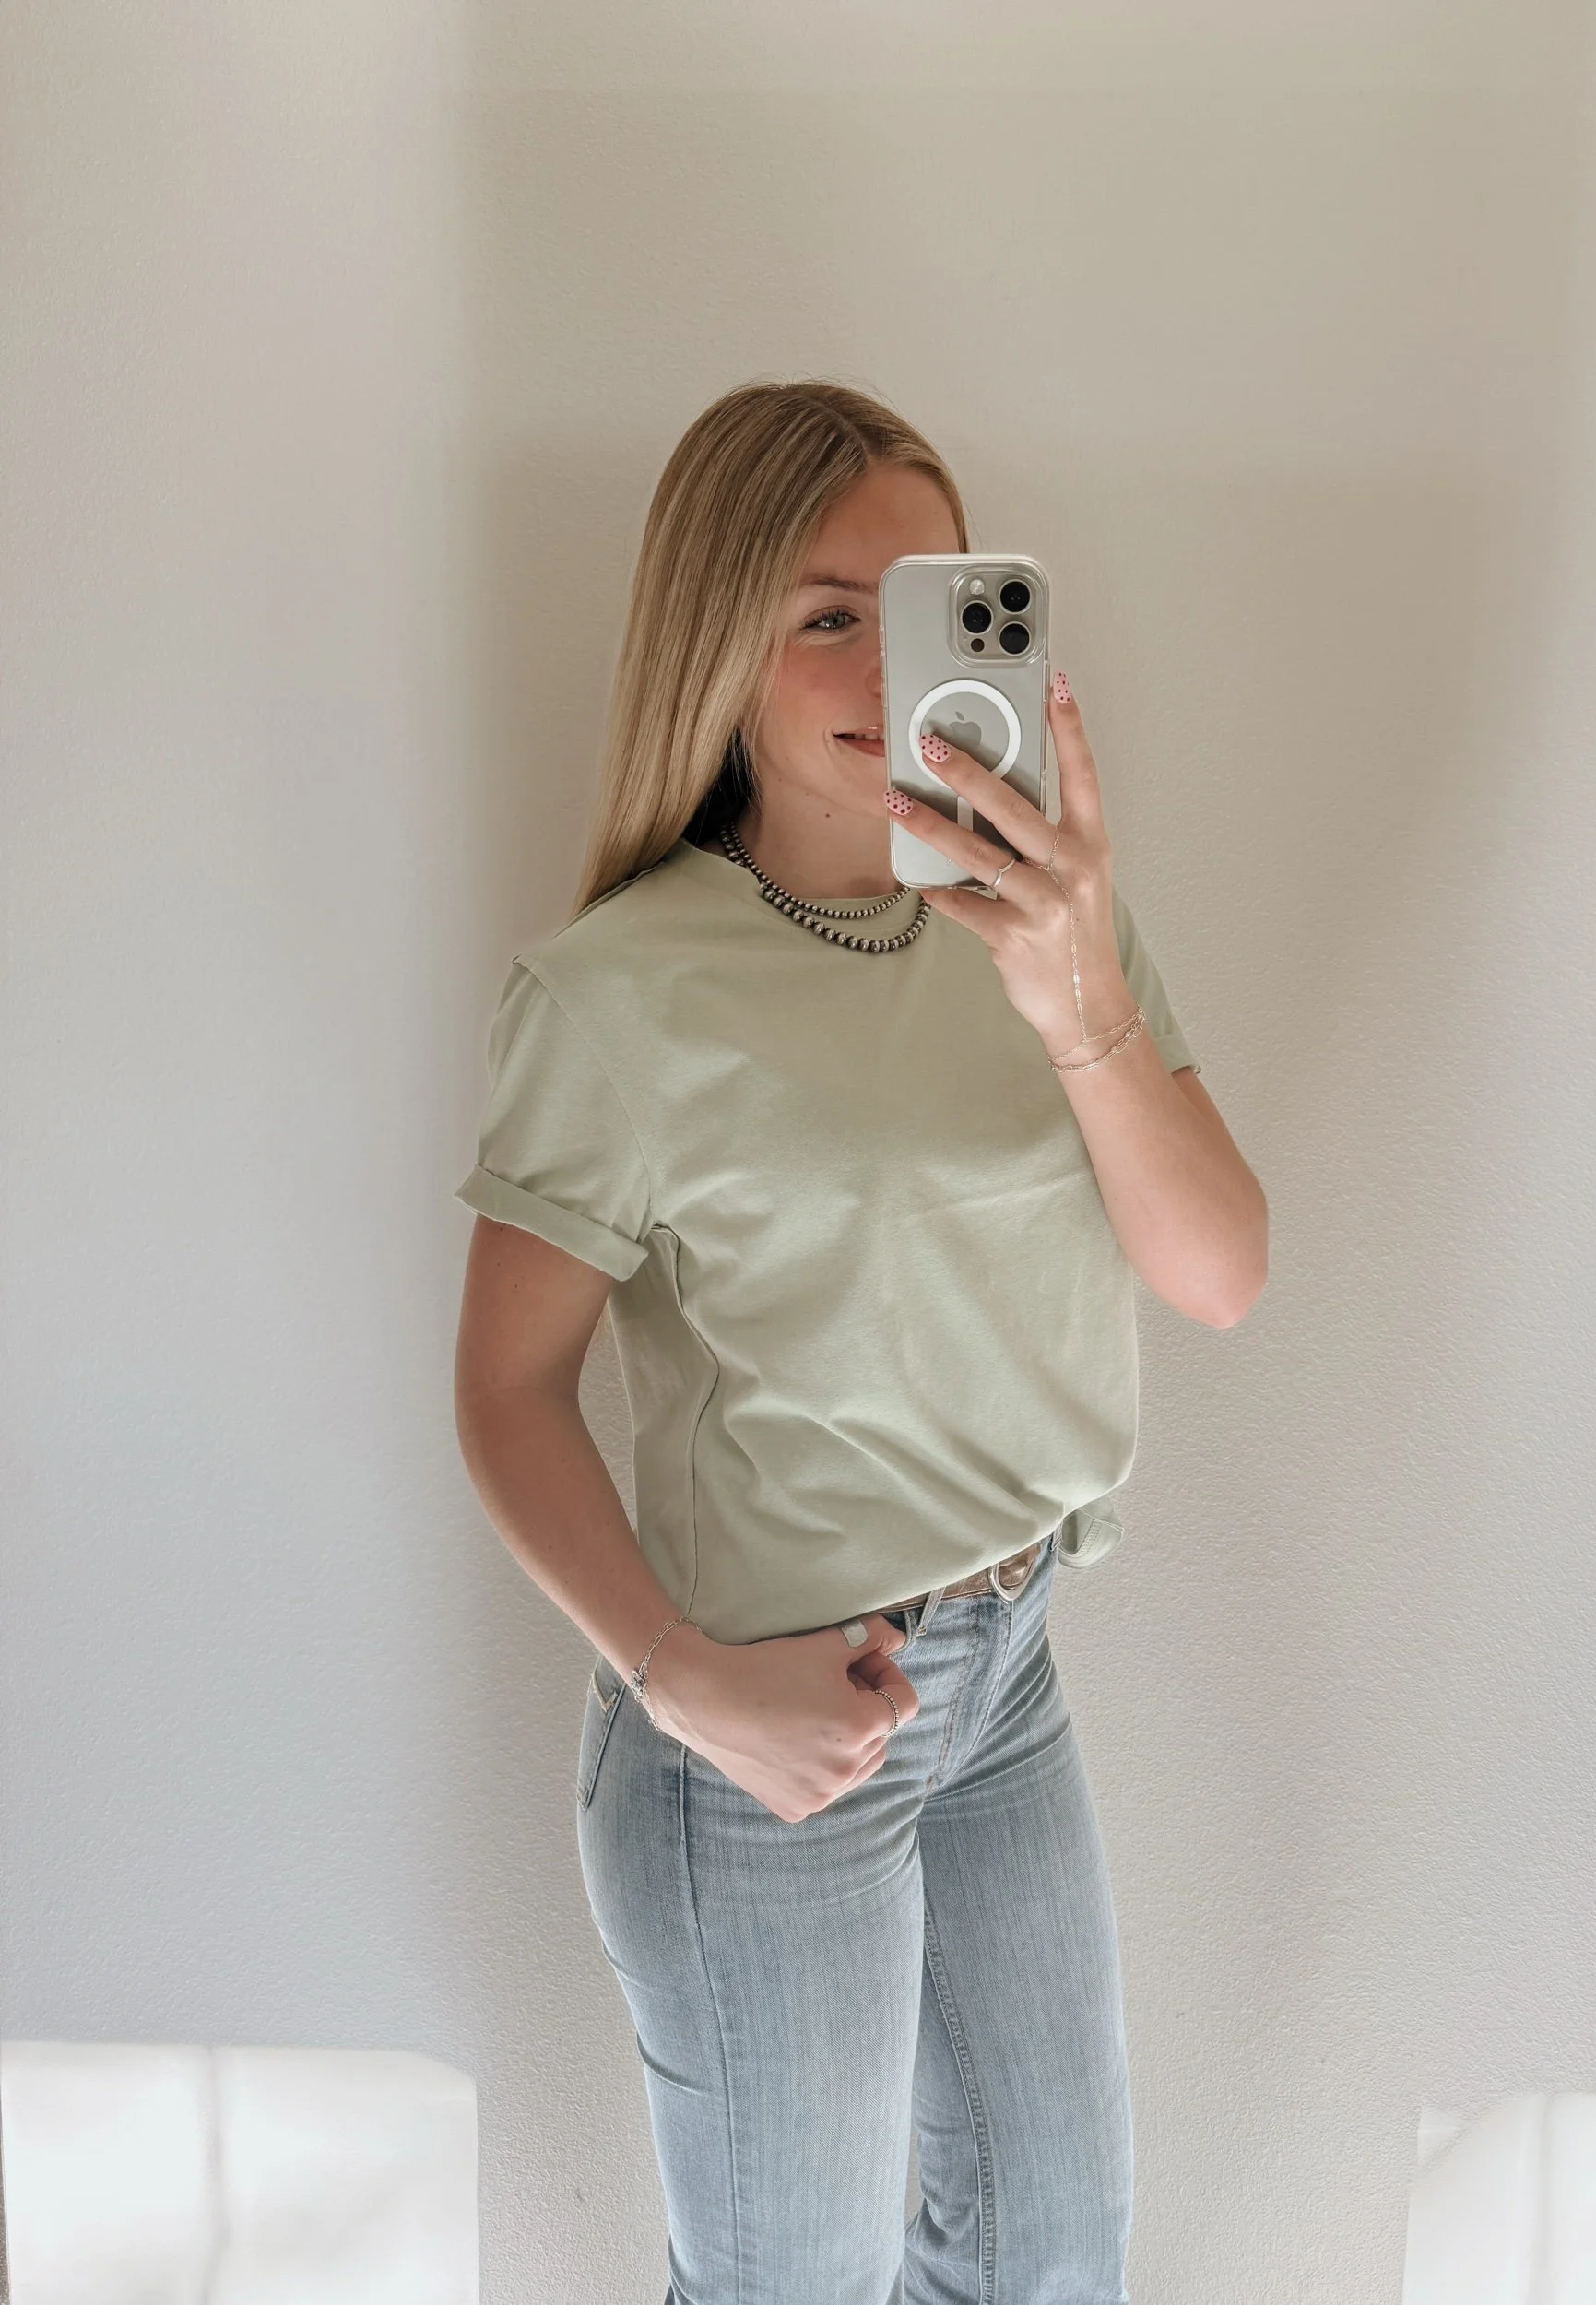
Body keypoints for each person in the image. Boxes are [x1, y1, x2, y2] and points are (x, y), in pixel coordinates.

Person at [452, 378, 1267, 2305]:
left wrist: (1073, 989)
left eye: (930, 601)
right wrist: (681, 1680)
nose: (893, 659)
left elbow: (1219, 1271)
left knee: (1047, 2262)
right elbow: (503, 1388)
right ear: (715, 648)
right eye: (831, 612)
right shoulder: (616, 992)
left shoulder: (1056, 926)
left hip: (1009, 1672)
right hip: (765, 1719)